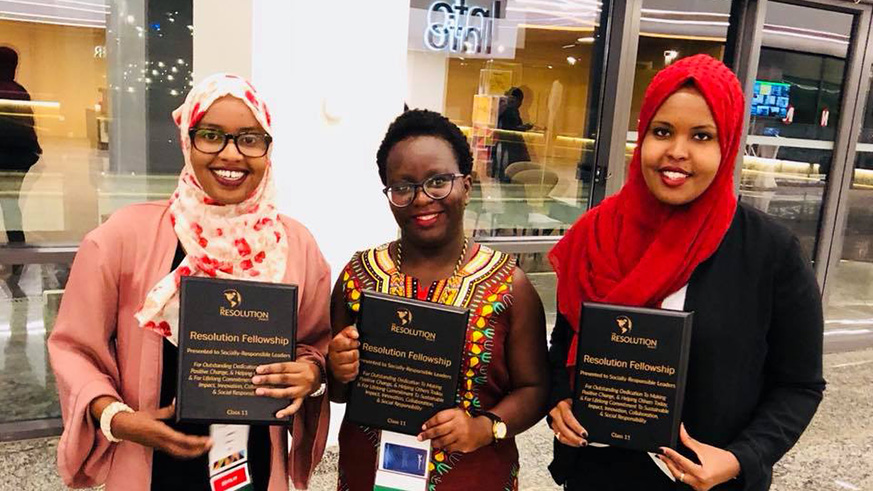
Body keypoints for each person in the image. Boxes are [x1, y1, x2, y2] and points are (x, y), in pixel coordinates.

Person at [546, 55, 824, 491]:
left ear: (727, 145)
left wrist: (739, 458)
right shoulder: (596, 235)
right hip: (596, 476)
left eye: (701, 136)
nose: (677, 150)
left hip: (706, 484)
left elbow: (799, 385)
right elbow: (566, 338)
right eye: (662, 131)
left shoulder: (769, 252)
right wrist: (559, 397)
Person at [48, 73, 331, 491]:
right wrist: (118, 419)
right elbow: (73, 348)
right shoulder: (122, 238)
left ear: (267, 148)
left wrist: (309, 372)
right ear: (187, 139)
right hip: (150, 464)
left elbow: (314, 343)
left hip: (254, 460)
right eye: (212, 135)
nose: (231, 154)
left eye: (250, 138)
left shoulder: (294, 245)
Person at [328, 109, 549, 490]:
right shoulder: (358, 277)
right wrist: (337, 367)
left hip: (473, 474)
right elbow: (339, 392)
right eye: (403, 186)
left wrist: (485, 427)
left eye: (438, 181)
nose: (422, 198)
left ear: (467, 184)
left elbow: (536, 389)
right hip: (369, 472)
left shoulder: (508, 286)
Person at [0, 46, 41, 294]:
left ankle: (16, 257)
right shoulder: (18, 91)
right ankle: (17, 256)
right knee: (10, 204)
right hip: (18, 158)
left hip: (7, 157)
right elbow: (28, 126)